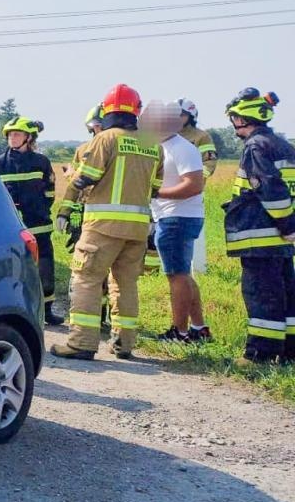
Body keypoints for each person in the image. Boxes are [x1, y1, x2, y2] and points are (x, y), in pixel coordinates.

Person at [50, 84, 160, 361]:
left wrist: (71, 173)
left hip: (102, 227)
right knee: (125, 284)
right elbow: (156, 188)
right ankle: (124, 344)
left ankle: (81, 343)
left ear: (107, 110)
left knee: (86, 279)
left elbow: (85, 179)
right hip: (137, 229)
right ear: (137, 111)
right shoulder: (152, 144)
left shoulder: (105, 139)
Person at [222, 88, 295, 364]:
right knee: (286, 294)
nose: (233, 124)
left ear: (244, 118)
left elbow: (269, 189)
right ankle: (289, 352)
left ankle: (259, 355)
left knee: (262, 295)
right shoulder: (283, 145)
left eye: (234, 118)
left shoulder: (255, 147)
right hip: (281, 240)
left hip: (261, 236)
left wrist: (286, 224)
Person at [147, 101, 209, 344]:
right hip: (176, 216)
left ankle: (179, 332)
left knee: (177, 276)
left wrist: (157, 193)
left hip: (177, 218)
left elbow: (194, 184)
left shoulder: (180, 148)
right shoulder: (165, 146)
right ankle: (198, 328)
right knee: (183, 274)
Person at [0, 117, 60, 325]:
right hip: (10, 228)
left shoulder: (41, 162)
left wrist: (40, 210)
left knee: (44, 269)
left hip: (39, 226)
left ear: (28, 138)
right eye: (10, 135)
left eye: (17, 134)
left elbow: (50, 193)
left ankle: (46, 310)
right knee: (11, 269)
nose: (13, 138)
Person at [53, 104, 109, 331]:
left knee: (110, 271)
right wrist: (65, 211)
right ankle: (90, 314)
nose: (99, 131)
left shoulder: (116, 146)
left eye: (102, 127)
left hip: (108, 214)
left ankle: (106, 316)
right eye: (96, 127)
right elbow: (75, 186)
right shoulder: (83, 150)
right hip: (86, 213)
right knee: (85, 267)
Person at [177, 99, 218, 177]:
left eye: (182, 115)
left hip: (191, 186)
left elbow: (209, 162)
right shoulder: (166, 135)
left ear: (191, 116)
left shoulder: (202, 136)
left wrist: (196, 180)